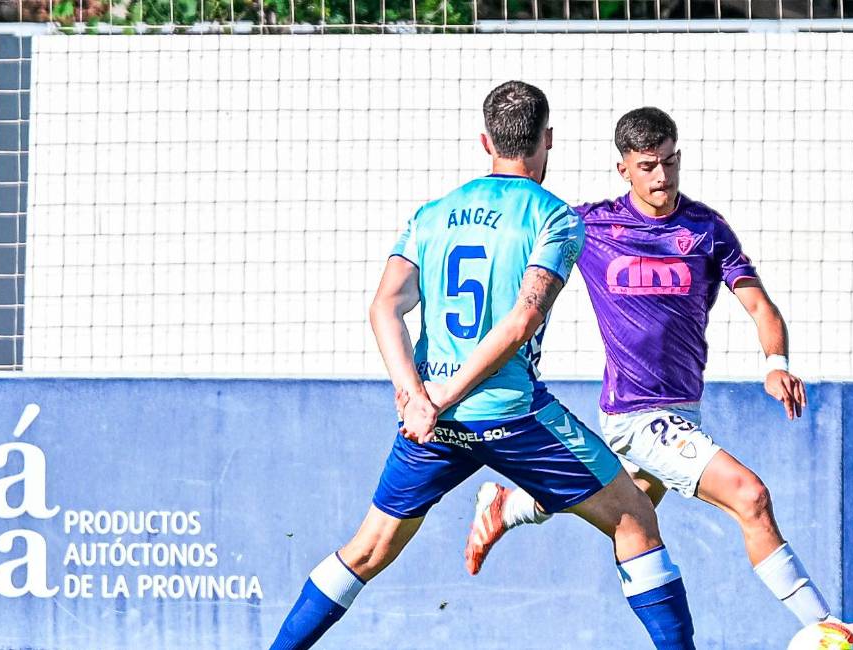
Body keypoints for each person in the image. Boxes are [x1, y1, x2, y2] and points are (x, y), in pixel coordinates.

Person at [268, 85, 697, 650]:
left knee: (368, 548)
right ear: (547, 141)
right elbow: (521, 321)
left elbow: (384, 306)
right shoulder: (556, 219)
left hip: (431, 422)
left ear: (485, 141)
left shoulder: (433, 213)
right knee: (634, 516)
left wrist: (417, 397)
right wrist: (438, 399)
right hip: (510, 414)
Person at [460, 107, 853, 647]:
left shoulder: (706, 229)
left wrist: (775, 364)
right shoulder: (588, 226)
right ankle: (827, 625)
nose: (661, 177)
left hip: (683, 410)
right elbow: (520, 253)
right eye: (647, 166)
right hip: (635, 414)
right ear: (624, 170)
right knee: (750, 497)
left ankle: (511, 506)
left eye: (668, 163)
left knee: (629, 500)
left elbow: (761, 308)